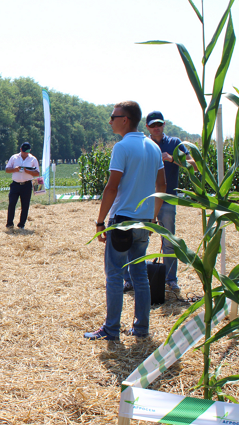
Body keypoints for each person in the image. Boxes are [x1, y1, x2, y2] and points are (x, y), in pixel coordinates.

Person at [85, 101, 165, 341]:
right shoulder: (153, 147)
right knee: (140, 276)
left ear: (125, 119)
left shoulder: (122, 147)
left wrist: (100, 222)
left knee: (115, 276)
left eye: (113, 116)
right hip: (143, 222)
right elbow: (162, 186)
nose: (110, 120)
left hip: (122, 221)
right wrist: (152, 216)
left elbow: (112, 187)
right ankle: (141, 329)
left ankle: (111, 329)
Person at [123, 111, 197, 293]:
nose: (156, 128)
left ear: (164, 125)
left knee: (169, 240)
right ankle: (130, 279)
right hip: (142, 200)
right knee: (134, 239)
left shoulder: (174, 143)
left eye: (159, 124)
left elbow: (194, 164)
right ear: (147, 127)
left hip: (167, 199)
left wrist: (172, 159)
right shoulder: (142, 144)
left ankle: (171, 280)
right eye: (152, 125)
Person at [4, 142, 40, 229]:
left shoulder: (33, 159)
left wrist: (29, 172)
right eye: (24, 151)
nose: (25, 153)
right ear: (20, 149)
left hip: (27, 185)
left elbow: (37, 173)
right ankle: (9, 223)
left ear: (29, 150)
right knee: (12, 204)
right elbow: (7, 170)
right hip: (15, 184)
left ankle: (21, 225)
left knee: (25, 205)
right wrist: (14, 169)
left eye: (27, 151)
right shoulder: (14, 157)